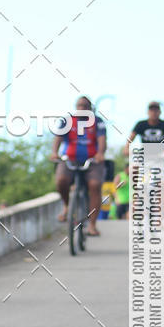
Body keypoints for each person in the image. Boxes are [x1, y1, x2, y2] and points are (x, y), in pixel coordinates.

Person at [51, 96, 107, 236]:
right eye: (79, 105)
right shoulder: (67, 121)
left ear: (90, 108)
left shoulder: (98, 121)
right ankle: (67, 206)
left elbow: (102, 140)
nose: (82, 108)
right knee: (61, 180)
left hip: (92, 161)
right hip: (69, 158)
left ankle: (92, 225)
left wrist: (100, 153)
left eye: (85, 106)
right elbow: (58, 137)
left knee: (95, 185)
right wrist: (54, 152)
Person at [124, 101, 164, 212]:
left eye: (156, 110)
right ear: (148, 112)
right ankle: (136, 200)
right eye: (151, 110)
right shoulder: (141, 124)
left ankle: (159, 213)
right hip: (145, 158)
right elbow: (131, 137)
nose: (154, 112)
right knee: (134, 171)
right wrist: (126, 147)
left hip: (161, 159)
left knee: (163, 184)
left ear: (160, 112)